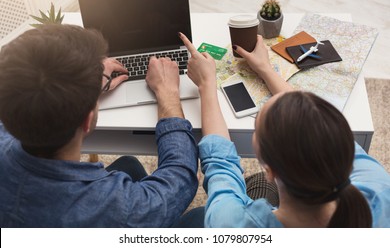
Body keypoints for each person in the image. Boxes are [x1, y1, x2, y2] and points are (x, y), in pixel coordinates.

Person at [179, 32, 390, 228]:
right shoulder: (380, 189)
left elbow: (221, 165)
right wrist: (266, 69)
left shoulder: (229, 223)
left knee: (196, 217)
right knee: (258, 184)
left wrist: (206, 84)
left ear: (270, 170)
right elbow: (314, 122)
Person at [0, 24, 199, 227]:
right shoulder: (122, 208)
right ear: (87, 122)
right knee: (199, 216)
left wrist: (81, 88)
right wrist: (168, 93)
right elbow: (180, 176)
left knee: (129, 164)